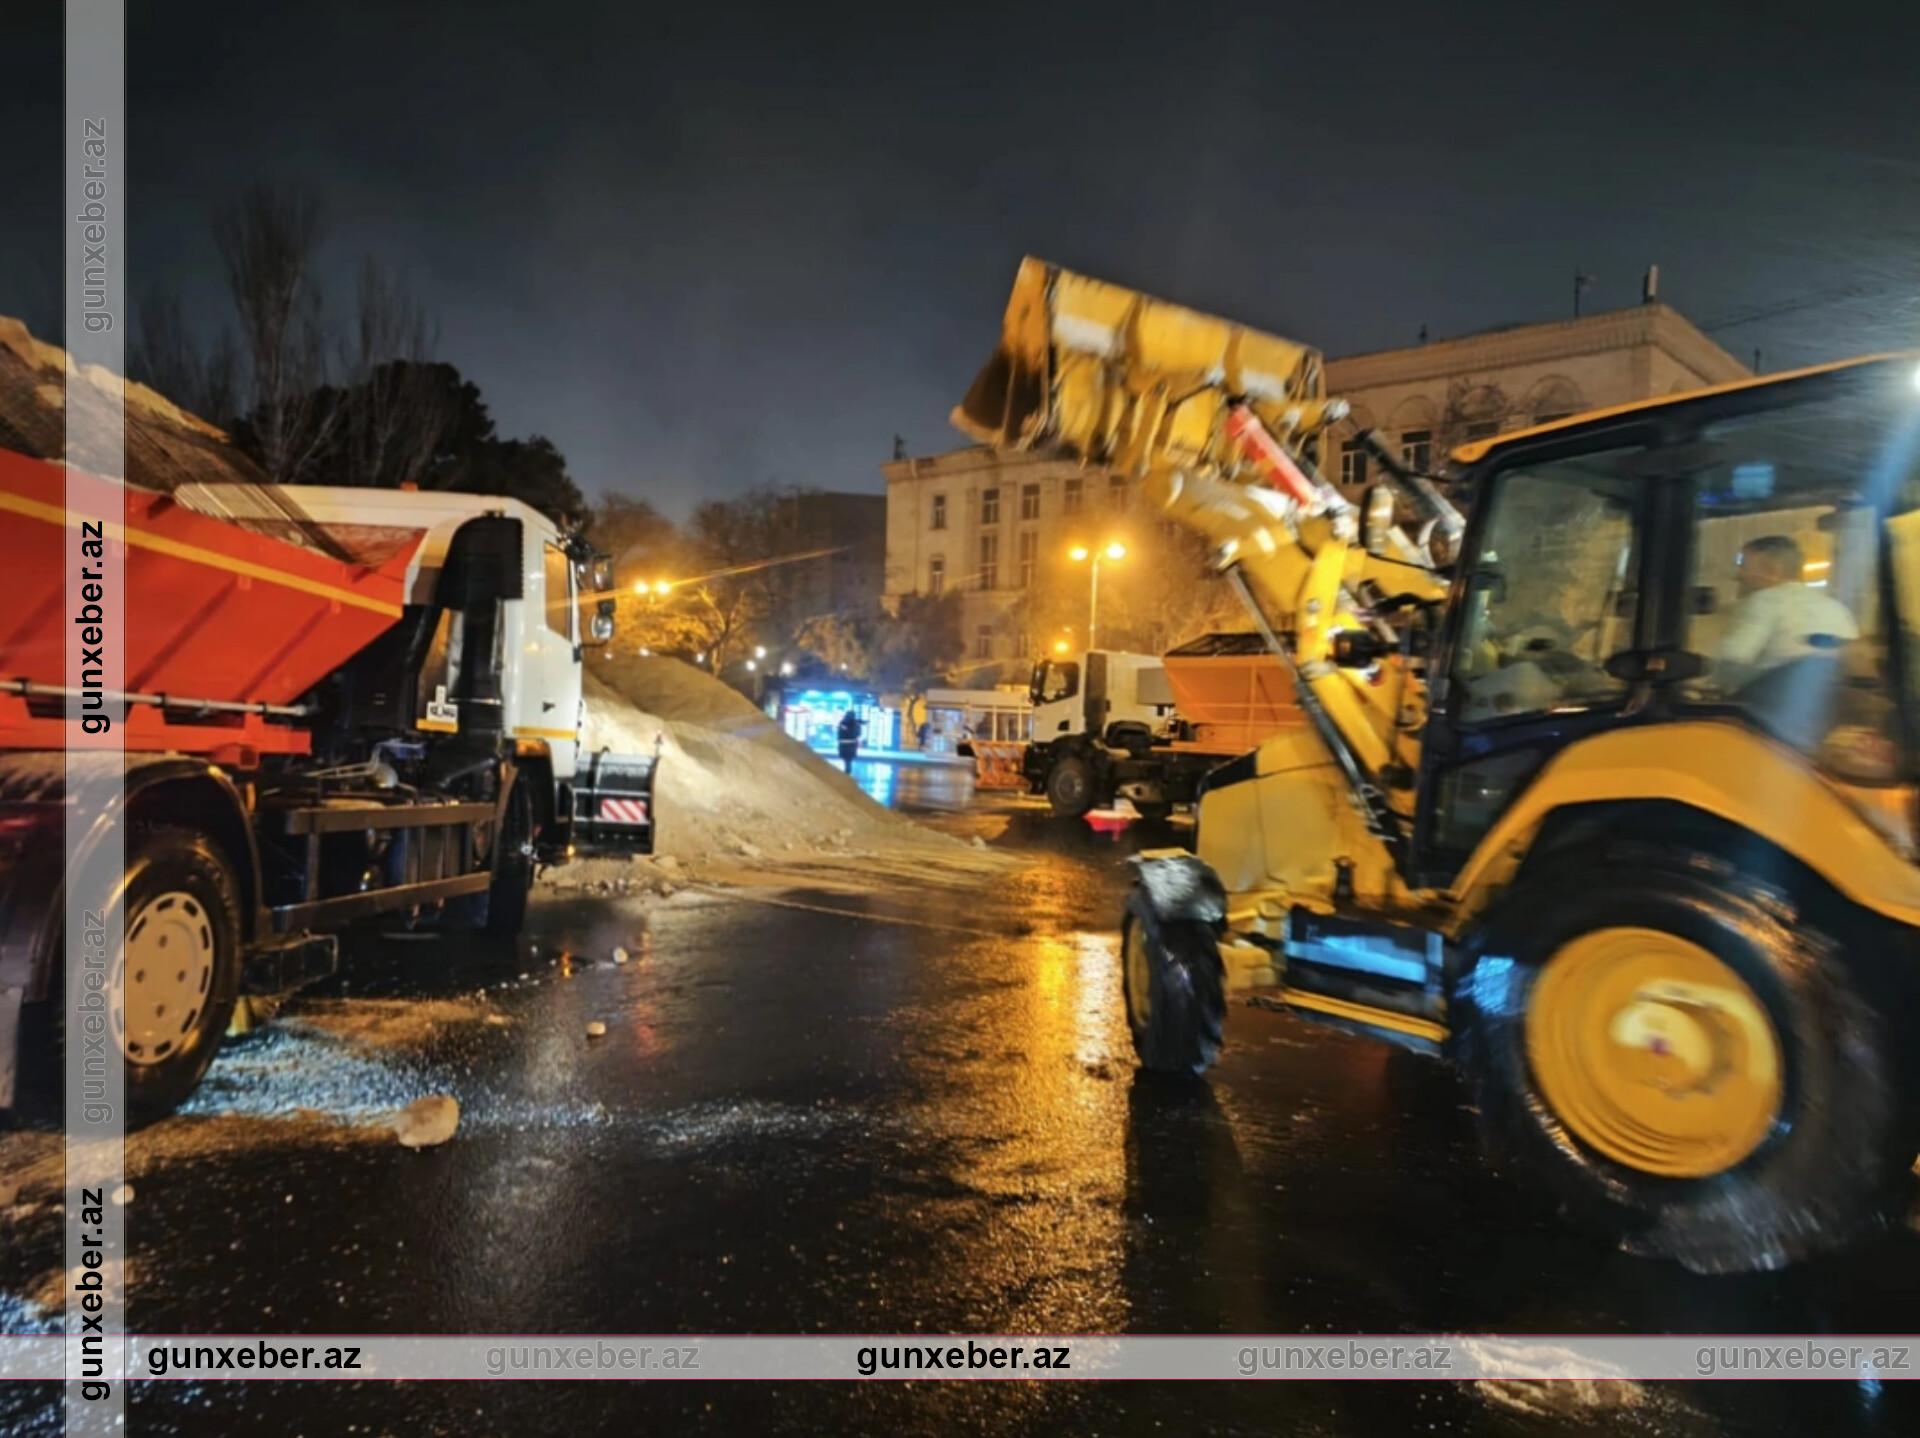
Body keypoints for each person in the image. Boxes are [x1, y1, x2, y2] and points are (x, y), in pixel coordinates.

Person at [1716, 535, 1859, 687]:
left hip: (1767, 705)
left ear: (1772, 571)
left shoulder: (1764, 601)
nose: (1738, 576)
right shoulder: (1837, 608)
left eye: (1743, 566)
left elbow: (1730, 663)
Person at [836, 708, 863, 773]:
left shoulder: (842, 723)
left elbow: (839, 733)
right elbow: (858, 734)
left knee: (846, 760)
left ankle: (847, 772)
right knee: (848, 761)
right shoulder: (856, 724)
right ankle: (847, 772)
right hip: (852, 744)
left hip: (843, 744)